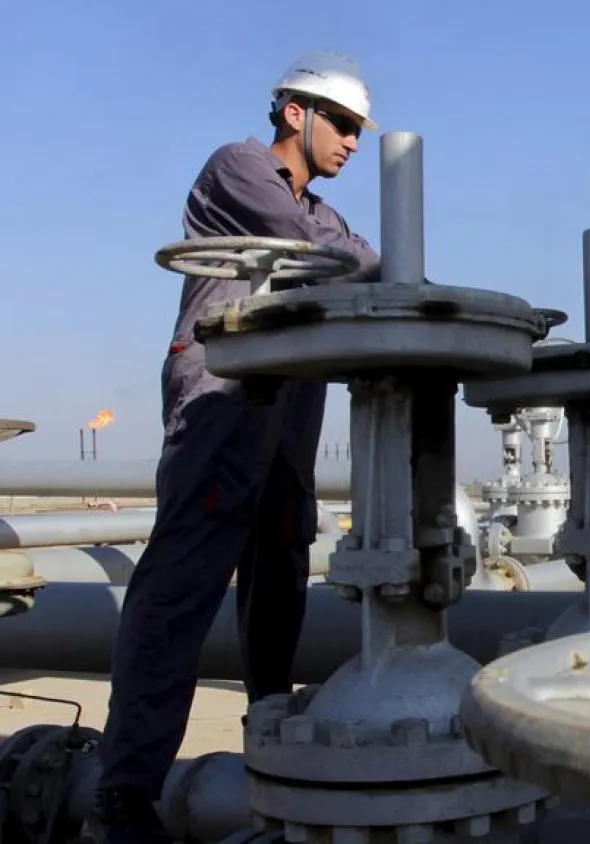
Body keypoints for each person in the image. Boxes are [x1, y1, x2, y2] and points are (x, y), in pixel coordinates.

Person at [93, 51, 384, 844]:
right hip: (224, 385)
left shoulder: (319, 209)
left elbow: (364, 263)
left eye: (359, 131)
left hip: (291, 388)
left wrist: (356, 265)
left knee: (282, 561)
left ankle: (271, 735)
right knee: (185, 575)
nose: (353, 142)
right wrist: (349, 263)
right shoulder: (239, 167)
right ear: (296, 113)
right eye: (343, 124)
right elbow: (320, 251)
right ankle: (126, 791)